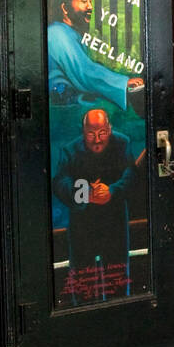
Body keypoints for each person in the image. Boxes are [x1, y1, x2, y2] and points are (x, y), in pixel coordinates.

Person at [51, 108, 138, 302]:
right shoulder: (69, 150)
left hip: (114, 223)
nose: (97, 140)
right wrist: (85, 194)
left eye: (102, 133)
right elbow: (59, 183)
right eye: (91, 134)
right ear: (83, 132)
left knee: (118, 283)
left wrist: (111, 191)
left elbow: (131, 176)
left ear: (110, 128)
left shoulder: (122, 143)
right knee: (83, 287)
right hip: (82, 226)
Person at [46, 0, 144, 112]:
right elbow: (85, 71)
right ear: (65, 8)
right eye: (84, 1)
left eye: (90, 1)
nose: (90, 7)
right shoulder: (57, 34)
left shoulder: (68, 32)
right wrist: (123, 83)